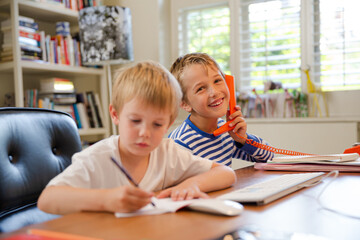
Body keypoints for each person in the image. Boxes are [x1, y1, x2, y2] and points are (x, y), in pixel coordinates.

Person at [37, 61, 236, 215]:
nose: (145, 133)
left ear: (169, 123)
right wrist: (106, 199)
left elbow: (226, 173)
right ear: (115, 115)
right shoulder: (97, 157)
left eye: (157, 124)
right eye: (135, 121)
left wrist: (189, 185)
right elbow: (47, 200)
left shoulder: (168, 152)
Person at [168, 53, 274, 166]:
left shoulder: (226, 132)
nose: (214, 92)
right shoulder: (180, 144)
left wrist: (243, 139)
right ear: (184, 104)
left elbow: (269, 157)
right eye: (200, 88)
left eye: (217, 81)